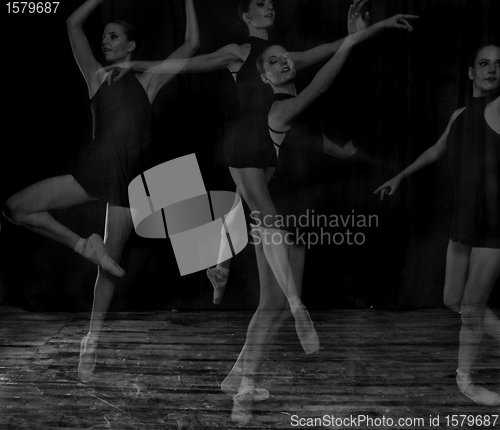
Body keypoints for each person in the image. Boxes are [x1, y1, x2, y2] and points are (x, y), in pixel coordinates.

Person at [104, 0, 372, 305]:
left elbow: (327, 51)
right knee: (261, 213)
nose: (269, 7)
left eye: (271, 3)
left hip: (278, 137)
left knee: (243, 209)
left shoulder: (281, 56)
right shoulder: (239, 52)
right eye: (260, 3)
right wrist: (134, 65)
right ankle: (286, 302)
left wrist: (355, 35)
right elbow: (188, 64)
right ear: (247, 16)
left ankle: (222, 269)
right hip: (251, 139)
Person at [226, 10, 417, 424]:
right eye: (272, 61)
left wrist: (370, 29)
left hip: (299, 217)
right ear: (264, 78)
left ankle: (240, 376)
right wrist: (351, 42)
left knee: (277, 304)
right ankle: (244, 390)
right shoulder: (278, 110)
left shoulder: (296, 116)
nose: (283, 62)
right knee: (273, 303)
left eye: (285, 57)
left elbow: (314, 142)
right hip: (277, 218)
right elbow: (320, 85)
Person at [3, 0, 200, 382]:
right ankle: (82, 245)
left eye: (114, 37)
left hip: (128, 184)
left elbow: (191, 44)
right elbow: (73, 24)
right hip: (93, 173)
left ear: (131, 47)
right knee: (16, 207)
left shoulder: (148, 80)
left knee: (109, 269)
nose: (106, 41)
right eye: (105, 36)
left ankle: (91, 341)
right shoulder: (95, 75)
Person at [375, 43, 500, 406]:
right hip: (463, 217)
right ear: (471, 73)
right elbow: (436, 149)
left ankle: (466, 381)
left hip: (493, 224)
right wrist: (399, 176)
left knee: (472, 311)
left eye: (499, 64)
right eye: (484, 63)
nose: (493, 70)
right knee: (451, 300)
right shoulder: (461, 114)